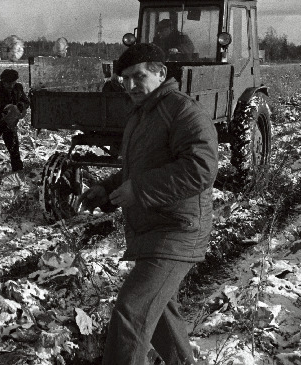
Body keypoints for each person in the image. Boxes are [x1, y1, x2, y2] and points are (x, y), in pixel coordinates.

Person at [77, 43, 218, 365]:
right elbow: (139, 167)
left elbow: (201, 169)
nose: (128, 86)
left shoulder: (182, 111)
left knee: (132, 315)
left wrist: (138, 190)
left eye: (137, 77)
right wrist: (107, 189)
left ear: (161, 73)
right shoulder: (144, 113)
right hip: (152, 228)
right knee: (161, 322)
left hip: (177, 230)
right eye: (123, 79)